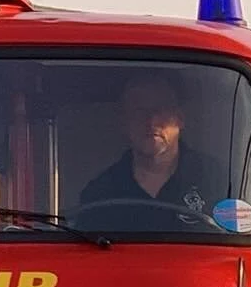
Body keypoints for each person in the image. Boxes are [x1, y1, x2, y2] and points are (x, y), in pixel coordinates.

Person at [78, 74, 219, 225]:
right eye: (139, 112)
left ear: (179, 118)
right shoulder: (100, 193)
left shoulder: (216, 181)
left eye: (161, 110)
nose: (151, 121)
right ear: (124, 122)